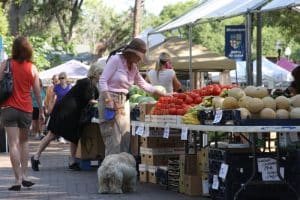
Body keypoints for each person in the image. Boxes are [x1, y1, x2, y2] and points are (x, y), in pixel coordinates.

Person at [98, 38, 171, 156]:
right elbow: (102, 80)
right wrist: (108, 100)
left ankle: (122, 170)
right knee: (113, 140)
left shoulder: (134, 67)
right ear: (131, 53)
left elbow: (145, 85)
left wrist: (165, 95)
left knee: (125, 138)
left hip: (124, 101)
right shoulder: (115, 60)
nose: (139, 60)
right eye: (139, 56)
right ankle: (111, 172)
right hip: (110, 99)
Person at [31, 64, 101, 171]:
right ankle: (35, 157)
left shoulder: (94, 86)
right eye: (100, 73)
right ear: (95, 74)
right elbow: (89, 100)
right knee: (52, 135)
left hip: (74, 113)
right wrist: (103, 102)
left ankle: (72, 161)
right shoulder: (86, 82)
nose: (102, 75)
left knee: (74, 137)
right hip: (64, 110)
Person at [0, 36, 45, 191]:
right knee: (24, 142)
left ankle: (17, 179)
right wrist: (41, 110)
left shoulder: (5, 64)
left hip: (8, 108)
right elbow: (38, 92)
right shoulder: (32, 67)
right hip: (26, 109)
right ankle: (25, 176)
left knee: (12, 144)